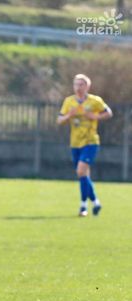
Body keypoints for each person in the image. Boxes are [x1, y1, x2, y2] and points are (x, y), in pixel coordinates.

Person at [57, 74, 112, 216]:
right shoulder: (69, 101)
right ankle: (94, 203)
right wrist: (69, 115)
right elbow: (59, 120)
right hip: (75, 142)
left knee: (81, 171)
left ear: (87, 86)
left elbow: (108, 113)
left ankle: (84, 206)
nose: (78, 87)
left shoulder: (95, 101)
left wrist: (95, 116)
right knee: (83, 175)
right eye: (76, 84)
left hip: (90, 141)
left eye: (81, 84)